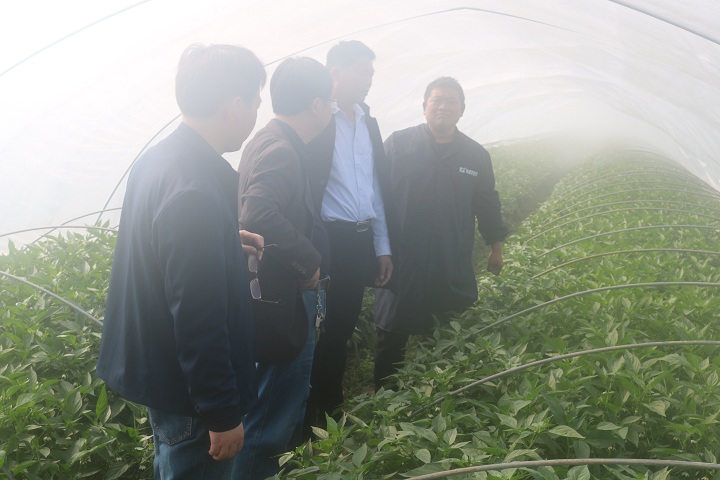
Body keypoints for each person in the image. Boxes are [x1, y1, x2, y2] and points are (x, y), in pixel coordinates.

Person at [96, 44, 267, 479]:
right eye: (255, 102)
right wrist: (221, 413)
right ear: (234, 106)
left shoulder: (160, 159)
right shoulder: (194, 192)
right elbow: (198, 318)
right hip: (192, 398)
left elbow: (163, 251)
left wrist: (221, 241)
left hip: (166, 379)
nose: (256, 113)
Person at [232, 56, 334, 480]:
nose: (331, 111)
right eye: (330, 102)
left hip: (270, 298)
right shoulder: (281, 149)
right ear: (317, 105)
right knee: (269, 423)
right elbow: (257, 213)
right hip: (281, 303)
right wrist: (308, 261)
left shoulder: (267, 139)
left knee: (267, 412)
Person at [373, 76, 508, 390]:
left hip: (450, 259)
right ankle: (383, 401)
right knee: (391, 336)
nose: (443, 107)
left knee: (447, 338)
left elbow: (488, 203)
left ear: (462, 110)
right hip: (401, 260)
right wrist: (375, 248)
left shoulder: (475, 155)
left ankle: (439, 400)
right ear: (424, 106)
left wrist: (496, 248)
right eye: (437, 100)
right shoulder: (398, 144)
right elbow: (373, 194)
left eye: (451, 101)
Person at [305, 40, 393, 427]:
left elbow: (375, 188)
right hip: (326, 241)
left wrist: (382, 246)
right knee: (317, 330)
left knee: (340, 328)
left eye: (371, 74)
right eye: (361, 73)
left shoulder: (367, 123)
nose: (368, 81)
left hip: (358, 241)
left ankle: (330, 409)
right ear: (335, 73)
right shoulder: (318, 122)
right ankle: (308, 416)